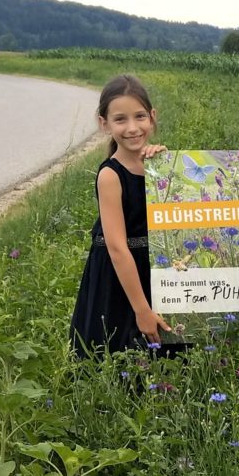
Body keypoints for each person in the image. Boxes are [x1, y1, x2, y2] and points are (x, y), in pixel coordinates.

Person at [70, 74, 170, 358]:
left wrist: (167, 164)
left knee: (161, 356)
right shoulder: (110, 175)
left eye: (140, 116)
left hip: (153, 268)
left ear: (152, 117)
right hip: (118, 277)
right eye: (120, 119)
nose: (132, 128)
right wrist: (142, 309)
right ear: (104, 123)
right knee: (117, 353)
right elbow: (117, 248)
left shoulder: (159, 166)